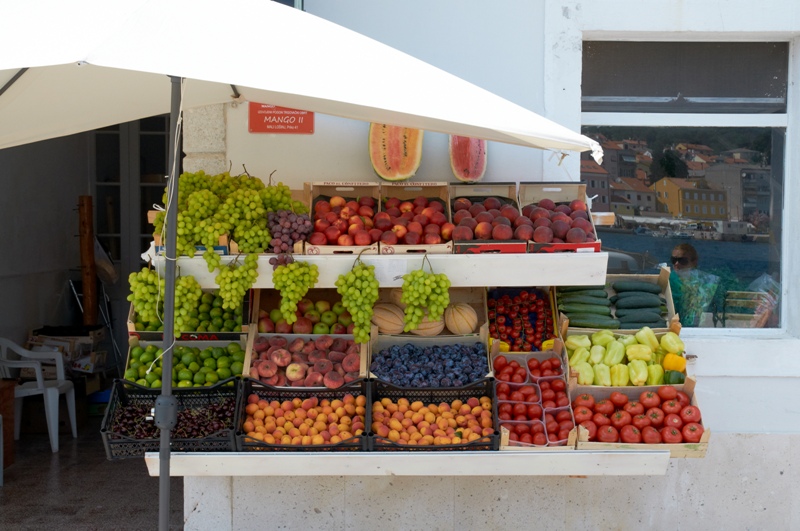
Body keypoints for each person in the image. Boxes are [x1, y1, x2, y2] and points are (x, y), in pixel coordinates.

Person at [669, 243, 720, 327]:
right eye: (673, 260)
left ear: (694, 262)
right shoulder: (669, 279)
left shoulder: (706, 283)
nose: (676, 264)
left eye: (682, 260)